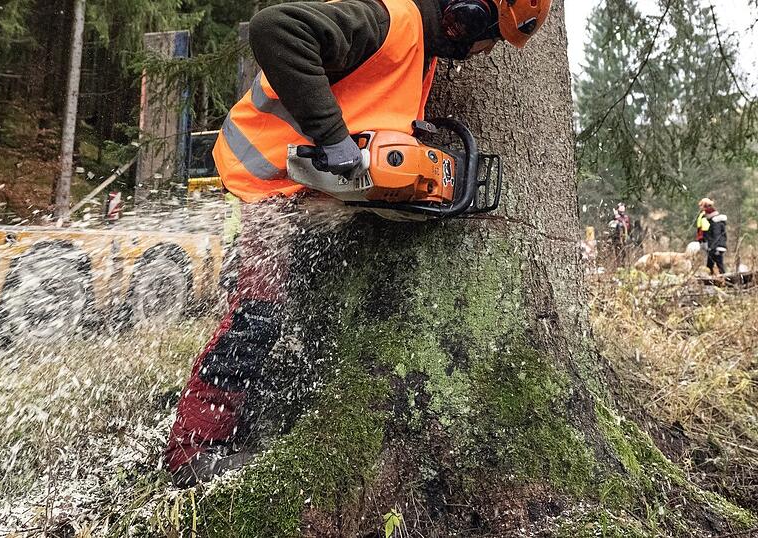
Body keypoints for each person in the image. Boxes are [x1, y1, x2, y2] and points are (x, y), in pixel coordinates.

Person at [166, 0, 553, 487]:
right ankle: (193, 450)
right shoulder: (391, 19)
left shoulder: (420, 50)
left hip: (300, 193)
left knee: (296, 316)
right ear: (470, 14)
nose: (482, 51)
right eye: (489, 36)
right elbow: (275, 29)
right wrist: (333, 138)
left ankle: (247, 429)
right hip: (263, 183)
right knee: (257, 317)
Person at [696, 198, 727, 275]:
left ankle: (725, 280)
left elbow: (717, 236)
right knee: (710, 266)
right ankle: (711, 281)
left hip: (716, 248)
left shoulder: (715, 222)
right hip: (714, 247)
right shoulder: (712, 220)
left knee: (719, 266)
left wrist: (712, 248)